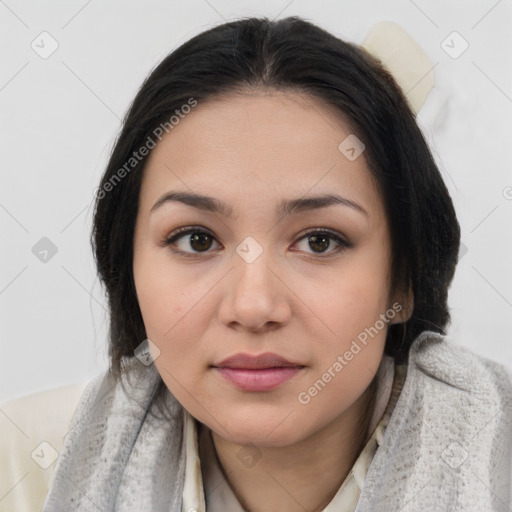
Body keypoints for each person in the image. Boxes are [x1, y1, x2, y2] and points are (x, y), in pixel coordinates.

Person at [41, 16, 511, 512]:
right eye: (197, 240)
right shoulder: (27, 467)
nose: (253, 306)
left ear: (403, 280)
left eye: (319, 242)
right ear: (127, 268)